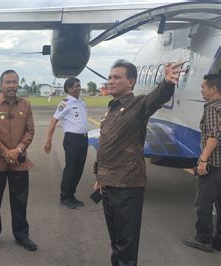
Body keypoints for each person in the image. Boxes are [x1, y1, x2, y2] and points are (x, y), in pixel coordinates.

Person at [93, 59, 183, 265]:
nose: (111, 81)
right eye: (109, 77)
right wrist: (99, 176)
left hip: (128, 186)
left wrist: (167, 82)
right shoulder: (111, 110)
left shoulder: (138, 105)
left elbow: (156, 98)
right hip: (108, 184)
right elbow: (105, 146)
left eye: (117, 77)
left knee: (126, 243)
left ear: (131, 82)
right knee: (115, 240)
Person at [0, 69, 36, 251]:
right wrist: (6, 152)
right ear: (1, 84)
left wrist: (18, 149)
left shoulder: (25, 104)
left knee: (20, 201)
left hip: (19, 162)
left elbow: (30, 131)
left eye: (15, 82)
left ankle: (21, 235)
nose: (12, 85)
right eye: (8, 82)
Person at [182, 73, 221, 252]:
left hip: (213, 165)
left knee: (203, 202)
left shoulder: (213, 108)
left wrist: (203, 160)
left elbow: (215, 135)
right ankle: (218, 240)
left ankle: (204, 239)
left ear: (213, 89)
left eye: (203, 86)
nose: (201, 89)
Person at [44, 77, 88, 209]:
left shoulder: (82, 103)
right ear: (69, 88)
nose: (79, 88)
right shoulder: (65, 103)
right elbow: (53, 121)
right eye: (76, 86)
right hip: (72, 139)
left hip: (83, 139)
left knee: (79, 169)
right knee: (71, 168)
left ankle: (71, 195)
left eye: (79, 85)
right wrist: (48, 140)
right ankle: (65, 197)